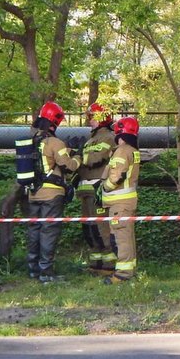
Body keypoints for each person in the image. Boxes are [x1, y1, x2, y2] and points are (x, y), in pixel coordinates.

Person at [26, 101, 78, 283]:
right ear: (55, 121)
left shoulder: (31, 141)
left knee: (34, 230)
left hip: (33, 193)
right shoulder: (55, 142)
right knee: (49, 231)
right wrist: (77, 156)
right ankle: (46, 273)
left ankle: (33, 269)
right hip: (52, 194)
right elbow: (68, 166)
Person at [75, 102, 117, 275]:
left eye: (92, 117)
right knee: (89, 228)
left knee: (101, 228)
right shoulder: (90, 139)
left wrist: (78, 155)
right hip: (85, 191)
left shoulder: (109, 137)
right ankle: (95, 263)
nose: (89, 120)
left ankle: (108, 265)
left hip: (98, 189)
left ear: (102, 117)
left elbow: (96, 158)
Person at [100, 116, 141, 284]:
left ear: (119, 133)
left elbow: (116, 175)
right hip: (127, 202)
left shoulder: (122, 150)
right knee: (127, 236)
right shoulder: (132, 150)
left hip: (119, 203)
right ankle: (129, 270)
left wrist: (105, 188)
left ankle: (122, 275)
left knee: (121, 238)